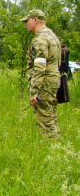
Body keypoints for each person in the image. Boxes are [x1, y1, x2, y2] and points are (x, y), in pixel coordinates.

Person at [21, 9, 61, 139]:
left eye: (27, 21)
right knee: (51, 117)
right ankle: (57, 146)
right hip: (52, 81)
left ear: (35, 20)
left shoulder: (41, 39)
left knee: (44, 121)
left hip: (44, 84)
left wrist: (34, 91)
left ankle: (49, 148)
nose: (25, 24)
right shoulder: (52, 35)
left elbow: (39, 66)